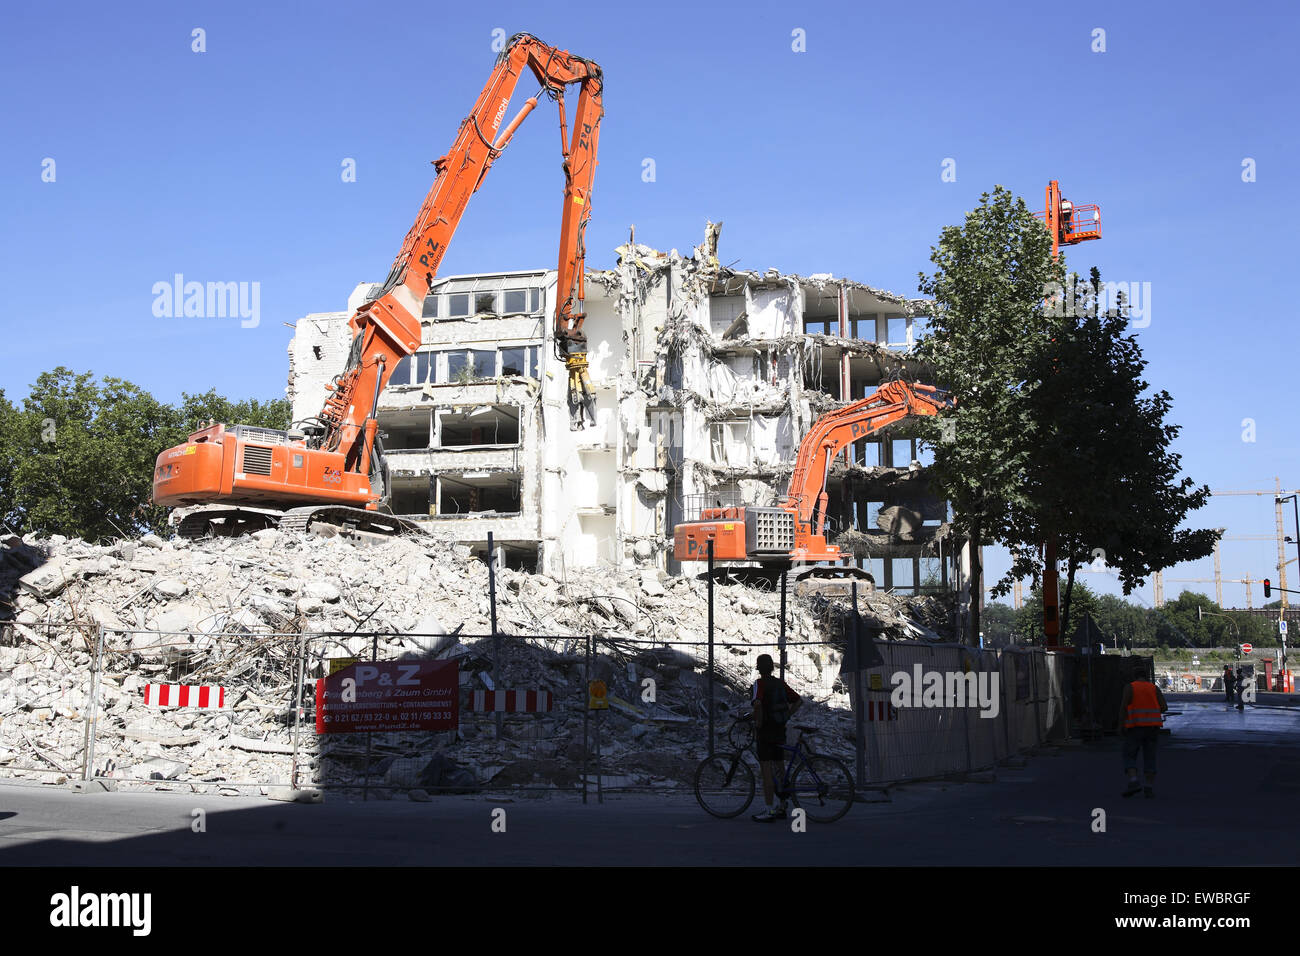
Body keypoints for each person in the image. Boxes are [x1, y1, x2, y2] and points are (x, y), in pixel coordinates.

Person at [750, 653, 802, 822]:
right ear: (772, 667)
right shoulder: (780, 683)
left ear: (758, 668)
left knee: (766, 772)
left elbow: (757, 704)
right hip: (780, 730)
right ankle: (782, 806)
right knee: (780, 769)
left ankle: (769, 810)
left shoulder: (759, 683)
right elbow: (799, 701)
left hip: (765, 731)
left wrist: (757, 722)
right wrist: (787, 715)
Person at [1119, 676, 1168, 798]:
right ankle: (1149, 787)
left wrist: (1120, 725)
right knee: (1150, 757)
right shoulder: (1154, 688)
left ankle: (1134, 780)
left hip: (1135, 727)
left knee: (1129, 754)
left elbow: (1123, 707)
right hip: (1152, 728)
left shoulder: (1130, 687)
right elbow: (1164, 707)